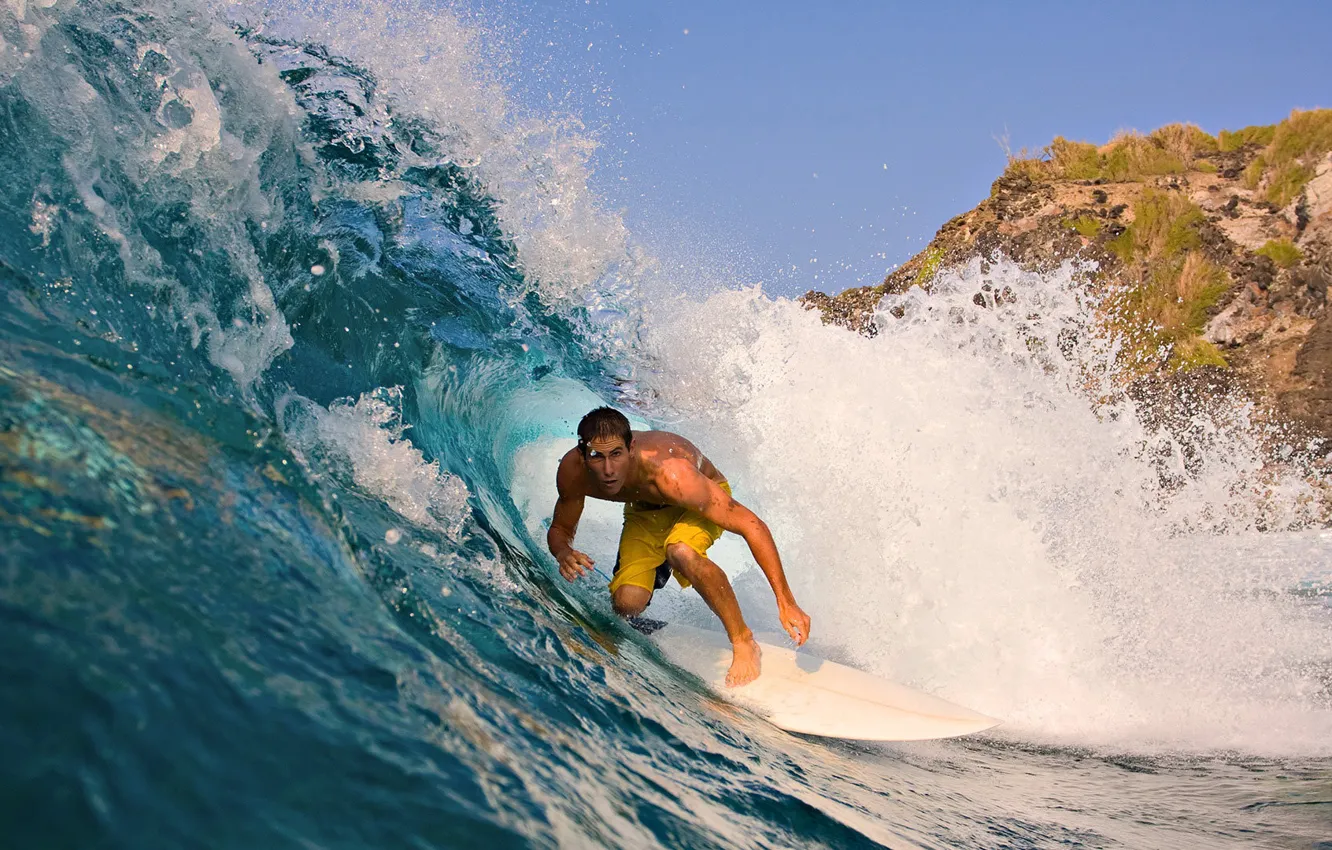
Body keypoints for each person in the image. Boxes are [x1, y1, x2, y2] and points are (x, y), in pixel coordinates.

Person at [547, 406, 811, 686]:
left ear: (631, 448)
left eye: (616, 455)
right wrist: (564, 552)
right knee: (626, 604)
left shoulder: (674, 476)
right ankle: (656, 568)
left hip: (695, 503)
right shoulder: (573, 471)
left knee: (680, 550)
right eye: (597, 457)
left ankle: (743, 639)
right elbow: (560, 529)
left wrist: (786, 601)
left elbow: (752, 525)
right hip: (646, 510)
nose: (608, 469)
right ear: (582, 454)